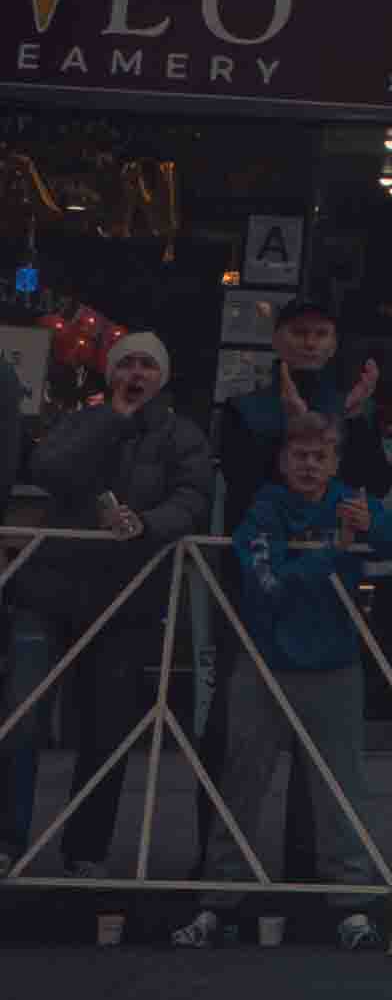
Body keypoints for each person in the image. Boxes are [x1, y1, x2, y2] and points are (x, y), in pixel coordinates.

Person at [17, 329, 222, 899]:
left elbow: (193, 496)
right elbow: (49, 468)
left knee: (107, 732)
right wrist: (113, 420)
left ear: (163, 376)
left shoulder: (182, 435)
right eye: (127, 364)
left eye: (147, 366)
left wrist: (148, 524)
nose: (137, 374)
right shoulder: (83, 420)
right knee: (22, 719)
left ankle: (85, 852)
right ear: (111, 373)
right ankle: (8, 841)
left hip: (127, 597)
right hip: (52, 589)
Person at [211, 414, 392, 944]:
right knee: (241, 784)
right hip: (265, 664)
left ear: (335, 463)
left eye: (320, 456)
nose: (309, 464)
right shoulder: (263, 510)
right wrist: (332, 554)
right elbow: (266, 582)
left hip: (336, 665)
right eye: (299, 454)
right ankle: (220, 899)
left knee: (343, 788)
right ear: (282, 461)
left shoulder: (347, 500)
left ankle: (352, 905)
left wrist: (374, 526)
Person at [218, 297, 391, 522]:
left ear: (334, 345)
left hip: (331, 548)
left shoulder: (353, 408)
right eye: (299, 333)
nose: (310, 343)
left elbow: (377, 484)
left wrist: (355, 419)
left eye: (321, 334)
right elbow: (243, 487)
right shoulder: (242, 409)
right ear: (276, 341)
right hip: (260, 548)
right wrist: (294, 428)